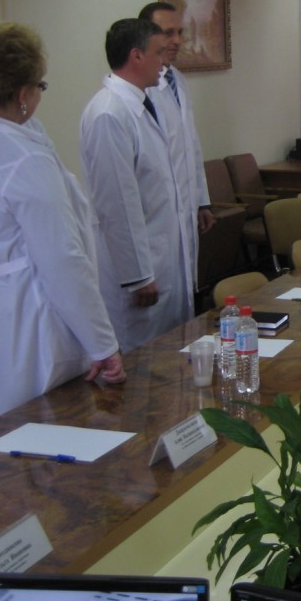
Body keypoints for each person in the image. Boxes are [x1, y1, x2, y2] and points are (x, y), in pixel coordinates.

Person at [0, 23, 124, 414]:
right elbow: (63, 260)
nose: (40, 94)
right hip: (23, 316)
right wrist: (102, 343)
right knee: (36, 424)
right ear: (23, 94)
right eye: (40, 86)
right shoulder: (23, 159)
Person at [80, 18, 192, 352]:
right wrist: (138, 275)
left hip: (162, 255)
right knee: (143, 359)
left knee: (171, 351)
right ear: (136, 56)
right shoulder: (109, 114)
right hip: (138, 274)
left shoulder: (143, 104)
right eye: (158, 52)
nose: (164, 62)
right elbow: (117, 203)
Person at [138, 2, 214, 305]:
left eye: (180, 32)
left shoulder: (177, 80)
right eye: (168, 33)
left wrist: (201, 200)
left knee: (183, 302)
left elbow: (190, 145)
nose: (177, 40)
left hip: (184, 209)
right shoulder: (141, 90)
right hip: (156, 218)